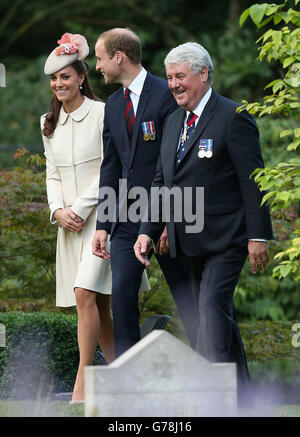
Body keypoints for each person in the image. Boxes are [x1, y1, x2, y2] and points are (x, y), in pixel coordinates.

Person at [134, 42, 274, 406]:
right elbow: (161, 182)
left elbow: (253, 179)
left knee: (211, 310)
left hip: (227, 240)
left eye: (180, 76)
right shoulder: (172, 121)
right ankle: (244, 401)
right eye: (169, 78)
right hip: (183, 243)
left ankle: (209, 402)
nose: (174, 85)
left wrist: (259, 235)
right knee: (212, 318)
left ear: (203, 74)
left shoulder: (233, 116)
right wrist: (147, 232)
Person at [41, 32, 149, 402]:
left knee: (85, 294)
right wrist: (58, 211)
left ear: (82, 77)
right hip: (68, 227)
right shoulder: (47, 123)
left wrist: (80, 209)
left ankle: (83, 386)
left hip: (104, 220)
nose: (59, 84)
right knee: (97, 306)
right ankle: (129, 384)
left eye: (66, 77)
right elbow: (51, 173)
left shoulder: (105, 112)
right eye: (54, 79)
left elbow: (112, 167)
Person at [92, 28, 196, 358]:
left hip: (169, 214)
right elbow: (111, 167)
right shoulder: (111, 106)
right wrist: (103, 224)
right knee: (122, 298)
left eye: (99, 58)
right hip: (125, 219)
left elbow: (177, 161)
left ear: (118, 57)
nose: (97, 66)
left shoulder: (166, 94)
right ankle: (128, 384)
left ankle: (213, 373)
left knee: (189, 300)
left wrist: (165, 222)